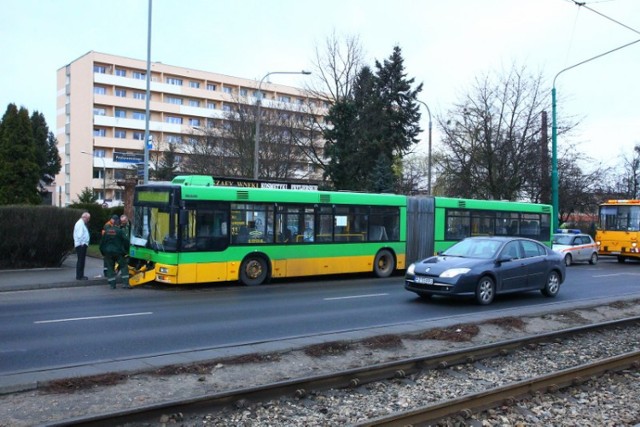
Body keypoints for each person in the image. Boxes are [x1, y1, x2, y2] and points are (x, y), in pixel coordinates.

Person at [100, 215, 130, 289]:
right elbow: (126, 240)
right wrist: (126, 250)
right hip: (118, 252)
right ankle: (125, 284)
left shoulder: (106, 231)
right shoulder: (120, 231)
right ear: (118, 224)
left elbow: (102, 243)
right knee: (123, 266)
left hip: (108, 253)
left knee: (110, 268)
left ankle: (112, 285)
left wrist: (103, 252)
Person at [73, 212, 91, 280]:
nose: (88, 220)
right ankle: (80, 276)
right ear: (85, 217)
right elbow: (80, 235)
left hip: (81, 244)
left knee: (81, 260)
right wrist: (82, 243)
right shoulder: (80, 224)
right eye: (88, 218)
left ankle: (80, 275)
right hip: (81, 245)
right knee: (81, 260)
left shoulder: (81, 223)